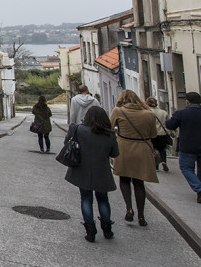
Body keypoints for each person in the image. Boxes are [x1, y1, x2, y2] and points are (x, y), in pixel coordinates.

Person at [64, 105, 120, 242]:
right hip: (102, 171)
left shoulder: (79, 130)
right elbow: (115, 153)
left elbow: (67, 143)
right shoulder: (110, 134)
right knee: (103, 199)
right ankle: (107, 228)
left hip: (83, 169)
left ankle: (90, 230)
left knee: (86, 199)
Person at [109, 89, 159, 226]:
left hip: (124, 148)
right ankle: (141, 216)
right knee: (139, 182)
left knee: (124, 179)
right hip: (142, 149)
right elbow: (153, 134)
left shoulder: (118, 111)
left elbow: (110, 129)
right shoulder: (149, 114)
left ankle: (129, 209)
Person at [165, 92, 201, 203]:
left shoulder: (181, 113)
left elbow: (170, 125)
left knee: (186, 168)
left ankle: (199, 189)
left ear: (187, 101)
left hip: (188, 147)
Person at [147, 96, 172, 172]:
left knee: (154, 150)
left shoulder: (147, 112)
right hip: (162, 133)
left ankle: (156, 166)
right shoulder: (163, 112)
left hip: (152, 134)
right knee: (162, 149)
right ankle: (163, 161)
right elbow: (167, 123)